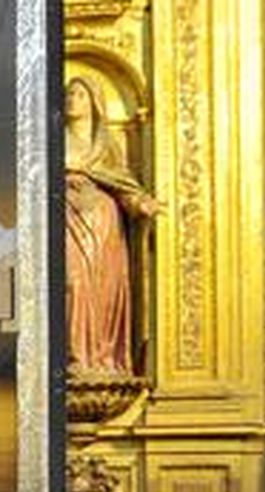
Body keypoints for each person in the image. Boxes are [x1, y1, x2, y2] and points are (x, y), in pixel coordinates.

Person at [65, 75, 162, 376]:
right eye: (69, 94)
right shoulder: (53, 140)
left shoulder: (106, 146)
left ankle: (100, 356)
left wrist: (140, 204)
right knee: (72, 282)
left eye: (80, 94)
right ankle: (73, 357)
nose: (72, 99)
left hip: (104, 224)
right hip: (66, 218)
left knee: (101, 289)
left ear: (94, 102)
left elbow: (123, 185)